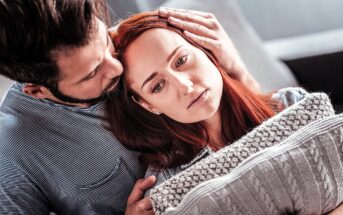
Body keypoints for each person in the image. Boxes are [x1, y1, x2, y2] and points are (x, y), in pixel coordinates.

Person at [0, 1, 257, 214]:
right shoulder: (12, 153)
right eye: (91, 74)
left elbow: (255, 117)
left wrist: (236, 71)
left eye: (105, 42)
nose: (117, 68)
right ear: (38, 91)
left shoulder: (142, 44)